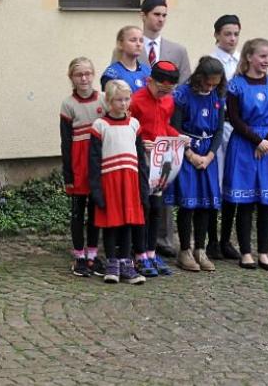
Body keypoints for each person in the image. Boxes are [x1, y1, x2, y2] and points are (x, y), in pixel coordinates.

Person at [223, 38, 268, 271]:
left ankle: (263, 253)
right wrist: (256, 140)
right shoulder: (236, 86)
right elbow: (234, 118)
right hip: (245, 145)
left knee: (267, 202)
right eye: (262, 56)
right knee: (245, 201)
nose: (266, 61)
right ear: (249, 57)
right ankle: (246, 253)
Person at [169, 57, 227, 272]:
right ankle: (184, 250)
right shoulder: (182, 95)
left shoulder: (218, 96)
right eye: (207, 83)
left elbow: (220, 129)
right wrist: (190, 154)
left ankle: (200, 249)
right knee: (188, 202)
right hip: (188, 151)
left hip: (208, 154)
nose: (210, 87)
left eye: (215, 84)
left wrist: (210, 155)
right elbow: (174, 127)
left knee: (205, 203)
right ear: (199, 77)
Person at [89, 80, 148, 285]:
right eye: (118, 100)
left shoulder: (134, 124)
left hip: (130, 181)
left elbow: (141, 159)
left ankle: (126, 263)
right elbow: (94, 161)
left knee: (128, 223)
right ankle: (112, 264)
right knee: (111, 224)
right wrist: (96, 190)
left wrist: (143, 188)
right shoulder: (100, 126)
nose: (123, 104)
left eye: (126, 99)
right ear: (109, 101)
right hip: (110, 182)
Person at [129, 61, 182, 277]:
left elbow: (164, 125)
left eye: (167, 91)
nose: (163, 95)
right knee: (143, 208)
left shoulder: (169, 100)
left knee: (157, 208)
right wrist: (140, 142)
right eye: (160, 90)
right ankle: (139, 253)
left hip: (160, 161)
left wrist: (178, 137)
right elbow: (126, 129)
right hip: (141, 160)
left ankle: (151, 251)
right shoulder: (135, 101)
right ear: (150, 80)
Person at [59, 57, 105, 278]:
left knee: (96, 211)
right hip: (78, 164)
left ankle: (93, 255)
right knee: (78, 212)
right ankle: (79, 255)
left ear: (93, 74)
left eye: (88, 73)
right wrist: (68, 174)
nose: (84, 78)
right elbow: (66, 142)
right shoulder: (68, 105)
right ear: (72, 78)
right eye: (79, 75)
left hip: (98, 164)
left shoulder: (104, 100)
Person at [210, 14, 242, 261]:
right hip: (218, 128)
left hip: (238, 128)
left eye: (235, 34)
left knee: (233, 183)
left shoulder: (242, 62)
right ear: (217, 35)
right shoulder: (212, 63)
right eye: (227, 33)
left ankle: (226, 239)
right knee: (216, 183)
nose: (232, 38)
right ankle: (212, 241)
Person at [101, 25, 150, 92]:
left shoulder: (148, 71)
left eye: (141, 41)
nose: (138, 44)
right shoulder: (112, 74)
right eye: (133, 40)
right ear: (120, 44)